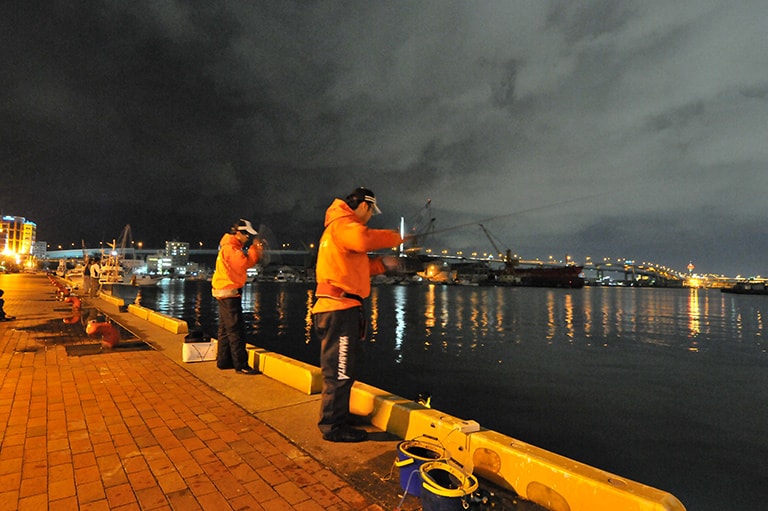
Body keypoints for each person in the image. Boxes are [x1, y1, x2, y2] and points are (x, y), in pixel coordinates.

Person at [312, 187, 404, 442]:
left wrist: (382, 266)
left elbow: (356, 264)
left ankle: (338, 415)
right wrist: (395, 238)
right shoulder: (344, 225)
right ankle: (332, 427)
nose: (371, 216)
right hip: (338, 311)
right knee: (339, 371)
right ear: (365, 205)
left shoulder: (339, 229)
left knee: (344, 369)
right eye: (372, 211)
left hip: (340, 309)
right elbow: (364, 240)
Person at [211, 218, 263, 374]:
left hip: (222, 293)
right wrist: (256, 249)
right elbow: (244, 263)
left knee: (225, 330)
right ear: (239, 233)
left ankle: (224, 361)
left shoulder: (227, 246)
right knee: (236, 330)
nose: (248, 238)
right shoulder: (231, 249)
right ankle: (241, 365)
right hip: (229, 294)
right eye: (246, 234)